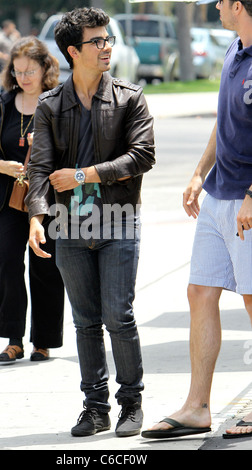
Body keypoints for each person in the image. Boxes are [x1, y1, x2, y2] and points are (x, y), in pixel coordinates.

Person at [26, 7, 155, 438]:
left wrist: (85, 174)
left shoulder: (129, 97)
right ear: (72, 51)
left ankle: (131, 403)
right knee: (84, 322)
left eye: (107, 40)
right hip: (69, 227)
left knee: (118, 315)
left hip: (119, 222)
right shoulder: (49, 106)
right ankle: (95, 407)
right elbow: (40, 168)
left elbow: (143, 156)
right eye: (96, 41)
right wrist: (36, 219)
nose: (106, 47)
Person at [141, 0, 252, 441]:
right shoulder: (233, 49)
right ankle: (197, 407)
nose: (216, 8)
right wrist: (198, 172)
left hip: (247, 199)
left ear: (239, 5)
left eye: (221, 2)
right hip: (218, 193)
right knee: (199, 291)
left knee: (251, 300)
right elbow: (223, 123)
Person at [0, 36, 65, 364]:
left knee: (46, 269)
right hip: (5, 200)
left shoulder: (56, 103)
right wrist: (0, 165)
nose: (23, 78)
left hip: (48, 199)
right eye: (17, 71)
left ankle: (43, 341)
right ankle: (13, 339)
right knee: (5, 266)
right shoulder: (1, 105)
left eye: (30, 70)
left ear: (45, 68)